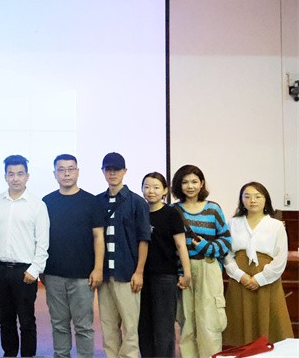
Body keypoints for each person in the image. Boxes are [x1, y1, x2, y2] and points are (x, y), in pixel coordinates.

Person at [0, 155, 49, 357]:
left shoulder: (37, 205)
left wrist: (34, 270)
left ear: (27, 176)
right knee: (5, 320)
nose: (15, 178)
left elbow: (43, 242)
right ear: (5, 176)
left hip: (24, 272)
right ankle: (9, 354)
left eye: (20, 174)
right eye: (11, 174)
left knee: (26, 321)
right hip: (0, 270)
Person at [42, 154, 104, 358]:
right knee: (59, 324)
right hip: (54, 274)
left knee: (84, 326)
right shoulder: (47, 202)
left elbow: (98, 237)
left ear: (78, 172)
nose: (66, 173)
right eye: (61, 169)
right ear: (54, 174)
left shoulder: (91, 201)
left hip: (83, 276)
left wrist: (98, 268)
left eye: (70, 169)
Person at [95, 152, 151, 358]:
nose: (112, 173)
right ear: (103, 171)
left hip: (127, 274)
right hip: (105, 276)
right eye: (108, 169)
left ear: (125, 171)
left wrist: (139, 272)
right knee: (108, 326)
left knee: (130, 327)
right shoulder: (97, 202)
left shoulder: (137, 202)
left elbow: (144, 239)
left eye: (116, 169)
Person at [222, 182, 292, 346]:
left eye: (257, 196)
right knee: (239, 320)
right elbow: (227, 254)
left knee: (269, 321)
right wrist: (240, 275)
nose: (252, 200)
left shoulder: (276, 225)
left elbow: (280, 258)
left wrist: (260, 279)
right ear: (241, 200)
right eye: (247, 196)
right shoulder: (233, 223)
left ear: (265, 199)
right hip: (240, 279)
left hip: (267, 280)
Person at [172, 164, 231, 358]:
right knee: (187, 321)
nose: (190, 186)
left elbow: (226, 240)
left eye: (194, 182)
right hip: (184, 270)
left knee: (210, 321)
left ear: (202, 183)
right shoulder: (173, 210)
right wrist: (180, 272)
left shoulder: (213, 209)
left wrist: (207, 247)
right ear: (178, 185)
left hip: (208, 266)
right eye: (185, 182)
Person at [138, 172, 191, 358]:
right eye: (146, 187)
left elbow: (181, 245)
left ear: (165, 191)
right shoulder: (139, 212)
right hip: (141, 277)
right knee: (143, 326)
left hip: (165, 277)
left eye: (156, 187)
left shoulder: (171, 213)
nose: (151, 191)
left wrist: (186, 273)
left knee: (164, 327)